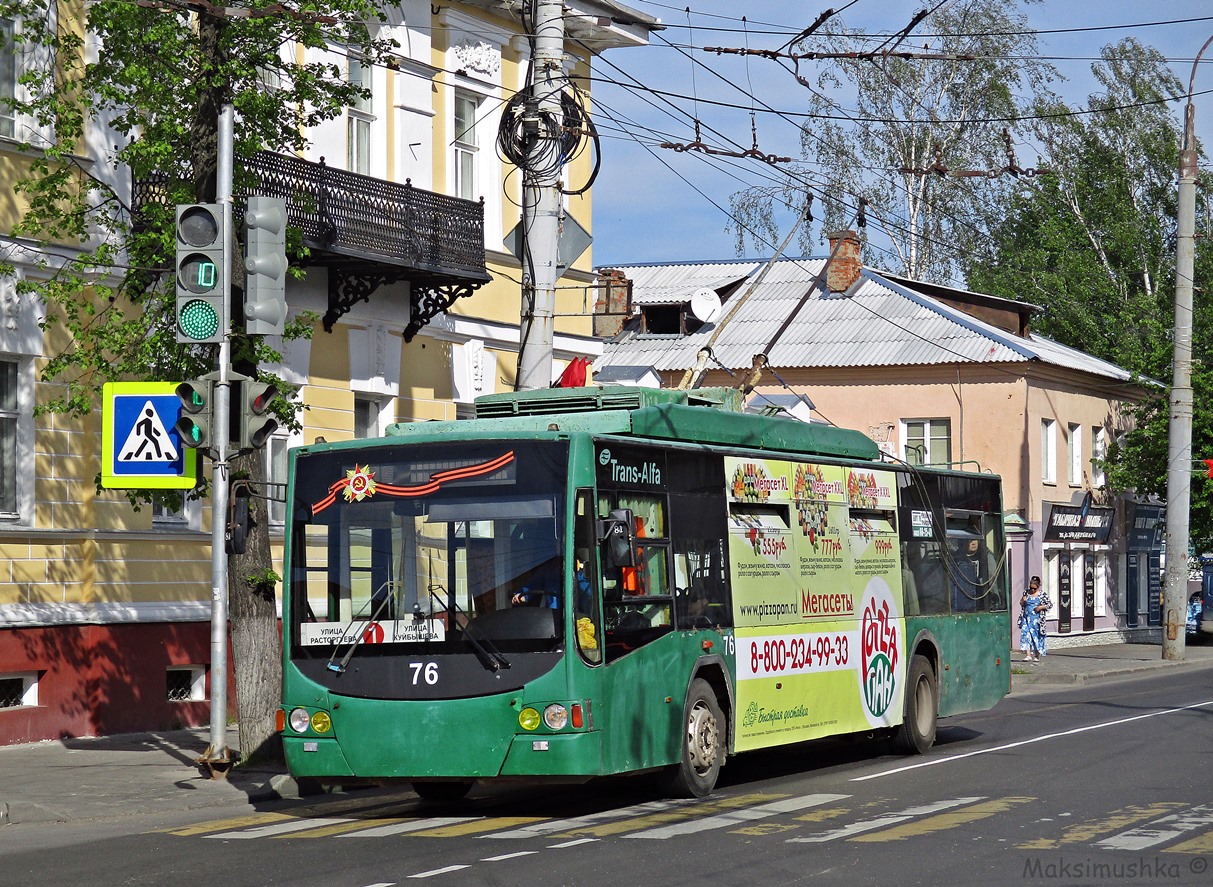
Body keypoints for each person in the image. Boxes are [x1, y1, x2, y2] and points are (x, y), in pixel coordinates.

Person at [1018, 575, 1051, 661]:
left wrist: (1041, 607)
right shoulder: (1026, 593)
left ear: (1038, 587)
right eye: (1031, 588)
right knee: (1026, 635)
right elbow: (1021, 604)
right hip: (1026, 618)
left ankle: (1037, 655)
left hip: (1037, 620)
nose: (1032, 590)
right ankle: (1028, 655)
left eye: (1034, 589)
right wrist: (1023, 600)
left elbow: (1049, 605)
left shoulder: (1042, 595)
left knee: (1036, 636)